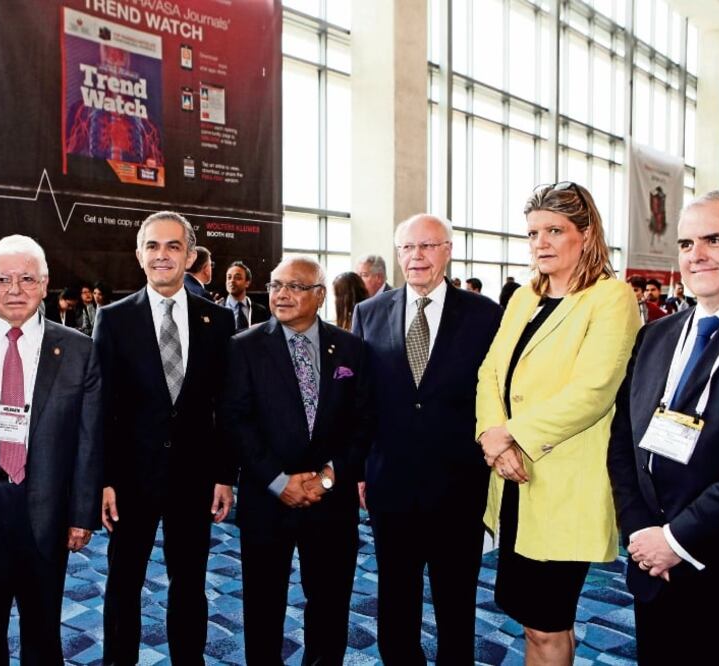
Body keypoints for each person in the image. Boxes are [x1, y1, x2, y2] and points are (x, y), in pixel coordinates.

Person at [475, 181, 639, 664]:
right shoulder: (526, 296)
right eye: (532, 233)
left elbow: (594, 390)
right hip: (511, 480)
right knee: (529, 618)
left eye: (554, 230)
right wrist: (492, 438)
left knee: (548, 623)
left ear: (586, 235)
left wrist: (513, 435)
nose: (540, 243)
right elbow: (490, 373)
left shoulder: (611, 298)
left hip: (563, 482)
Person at [0, 235, 102, 662]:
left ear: (45, 284)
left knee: (43, 629)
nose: (15, 289)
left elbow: (88, 439)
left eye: (27, 278)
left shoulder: (80, 350)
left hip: (45, 505)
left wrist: (81, 514)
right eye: (3, 279)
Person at [607, 189, 719, 665]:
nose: (697, 256)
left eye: (715, 239)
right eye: (687, 244)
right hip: (652, 565)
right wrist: (643, 535)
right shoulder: (657, 335)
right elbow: (623, 440)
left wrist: (678, 540)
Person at [353, 214, 502, 664]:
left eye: (427, 246)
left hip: (459, 483)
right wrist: (361, 470)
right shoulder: (369, 311)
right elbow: (362, 400)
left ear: (448, 250)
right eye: (406, 248)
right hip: (390, 482)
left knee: (455, 597)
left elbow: (496, 395)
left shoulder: (485, 314)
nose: (416, 256)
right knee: (395, 593)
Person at [93, 211, 236, 664]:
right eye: (153, 246)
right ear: (139, 255)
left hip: (194, 478)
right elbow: (103, 408)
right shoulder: (113, 320)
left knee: (191, 582)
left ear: (190, 256)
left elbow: (225, 407)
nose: (162, 255)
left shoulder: (218, 321)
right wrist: (105, 479)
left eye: (173, 246)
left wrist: (224, 475)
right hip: (131, 479)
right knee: (123, 582)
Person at [222, 257, 372, 664]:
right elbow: (236, 421)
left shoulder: (352, 349)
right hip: (267, 499)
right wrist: (278, 481)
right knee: (263, 605)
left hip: (331, 502)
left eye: (295, 287)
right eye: (275, 285)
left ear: (320, 295)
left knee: (329, 603)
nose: (281, 294)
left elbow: (364, 422)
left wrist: (327, 478)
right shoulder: (244, 347)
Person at [223, 260, 268, 331]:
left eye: (237, 278)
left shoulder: (260, 311)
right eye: (229, 277)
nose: (232, 281)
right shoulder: (218, 308)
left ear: (247, 283)